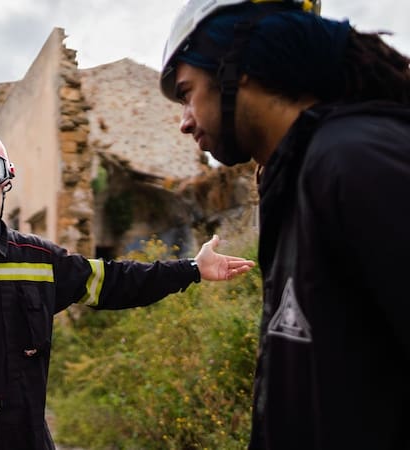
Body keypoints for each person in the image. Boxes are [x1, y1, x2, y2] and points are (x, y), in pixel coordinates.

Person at [0, 122, 255, 450]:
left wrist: (191, 269)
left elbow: (115, 281)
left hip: (26, 441)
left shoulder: (39, 258)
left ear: (5, 189)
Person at [159, 0, 410, 448]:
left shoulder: (354, 162)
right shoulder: (298, 176)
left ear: (239, 70)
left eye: (186, 92)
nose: (184, 122)